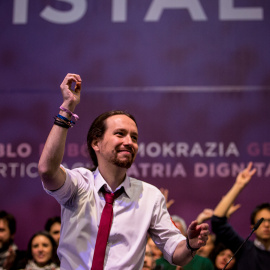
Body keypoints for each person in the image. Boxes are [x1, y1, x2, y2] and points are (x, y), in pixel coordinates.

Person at [38, 73, 209, 270]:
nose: (129, 142)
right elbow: (47, 171)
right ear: (96, 143)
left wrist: (189, 245)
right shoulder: (78, 183)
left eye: (134, 137)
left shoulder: (150, 196)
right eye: (120, 134)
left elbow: (177, 253)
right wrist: (67, 108)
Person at [211, 162, 270, 270]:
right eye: (262, 221)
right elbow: (217, 221)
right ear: (253, 227)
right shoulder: (243, 249)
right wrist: (238, 185)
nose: (266, 225)